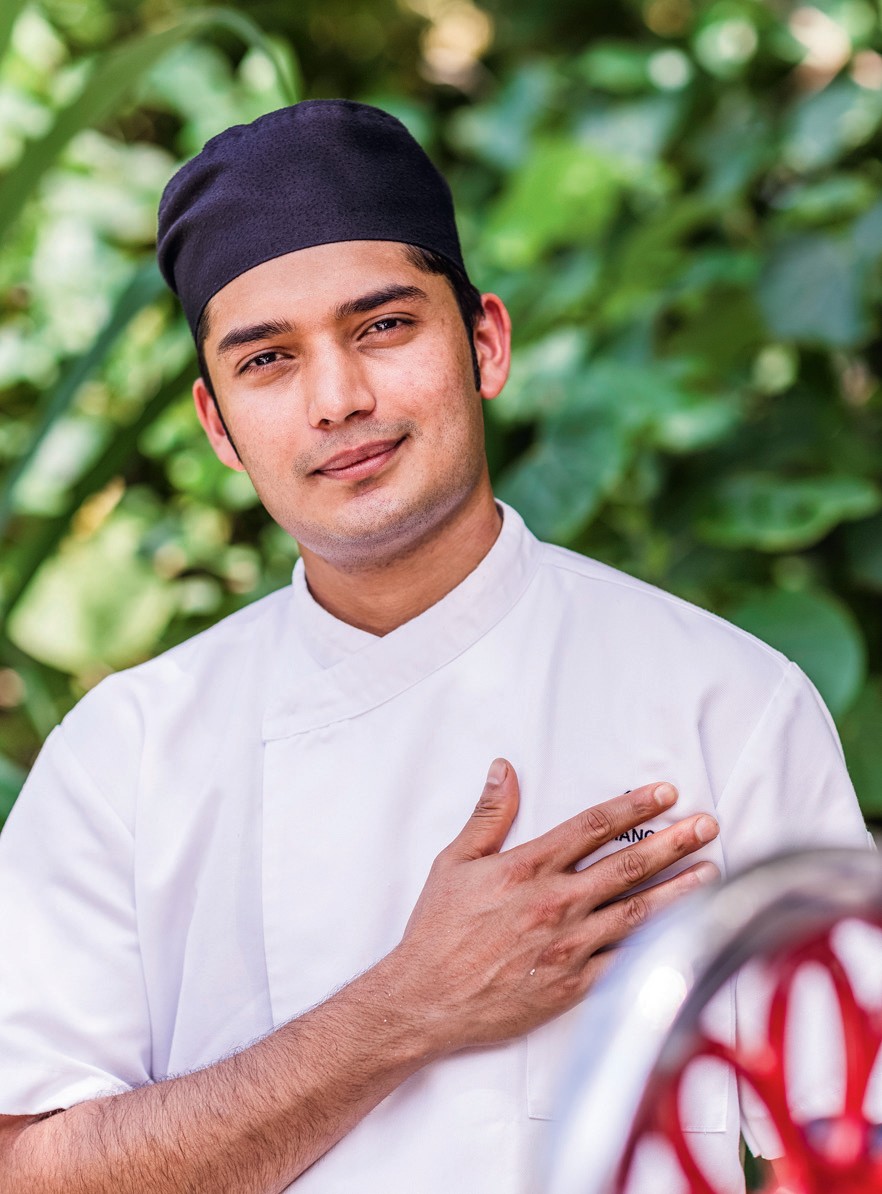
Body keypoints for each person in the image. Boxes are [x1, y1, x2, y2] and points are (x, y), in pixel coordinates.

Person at [0, 100, 870, 1194]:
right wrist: (408, 1007)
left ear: (485, 344)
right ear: (218, 425)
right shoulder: (129, 755)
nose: (338, 399)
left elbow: (853, 1139)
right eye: (268, 359)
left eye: (382, 327)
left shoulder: (725, 702)